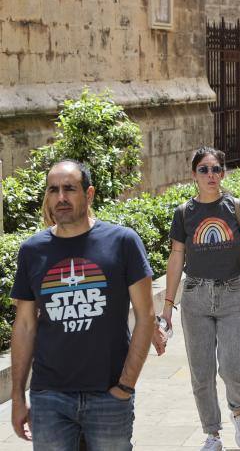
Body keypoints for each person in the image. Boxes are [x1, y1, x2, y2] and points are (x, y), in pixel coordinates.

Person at [11, 160, 156, 449]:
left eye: (69, 189)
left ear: (88, 194)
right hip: (49, 396)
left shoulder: (122, 242)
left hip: (108, 395)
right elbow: (25, 326)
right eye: (53, 190)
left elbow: (146, 316)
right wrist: (18, 396)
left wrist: (125, 385)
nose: (61, 198)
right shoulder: (32, 251)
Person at [159, 147, 240, 451]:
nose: (210, 175)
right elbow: (177, 258)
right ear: (194, 175)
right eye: (203, 170)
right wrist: (167, 307)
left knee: (233, 367)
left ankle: (239, 412)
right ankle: (212, 433)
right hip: (195, 297)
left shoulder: (238, 208)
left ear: (223, 173)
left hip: (233, 294)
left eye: (216, 169)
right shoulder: (183, 213)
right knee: (201, 372)